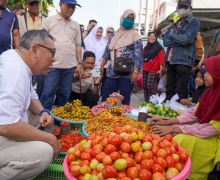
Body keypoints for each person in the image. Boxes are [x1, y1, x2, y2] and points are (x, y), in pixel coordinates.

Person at [0, 29, 60, 180]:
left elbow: (30, 95)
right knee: (45, 152)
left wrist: (42, 112)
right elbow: (6, 125)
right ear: (35, 50)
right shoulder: (15, 72)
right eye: (52, 52)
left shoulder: (15, 58)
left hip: (5, 122)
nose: (53, 60)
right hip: (4, 127)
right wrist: (49, 139)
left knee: (36, 116)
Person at [151, 55, 220, 180]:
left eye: (208, 72)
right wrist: (168, 121)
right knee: (173, 136)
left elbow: (209, 130)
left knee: (180, 139)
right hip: (204, 130)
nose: (204, 75)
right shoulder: (211, 91)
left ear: (217, 74)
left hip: (214, 139)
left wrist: (174, 128)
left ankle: (185, 172)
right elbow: (194, 113)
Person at [40, 0, 82, 110]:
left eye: (73, 7)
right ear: (60, 5)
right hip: (53, 66)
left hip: (70, 66)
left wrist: (79, 63)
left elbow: (78, 45)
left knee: (65, 94)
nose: (71, 9)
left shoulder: (76, 25)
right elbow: (41, 41)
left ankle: (60, 121)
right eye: (68, 6)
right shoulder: (48, 21)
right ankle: (44, 119)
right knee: (48, 93)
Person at [100, 9, 143, 105]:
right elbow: (108, 50)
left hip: (127, 73)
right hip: (112, 71)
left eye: (132, 19)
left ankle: (122, 118)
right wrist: (102, 65)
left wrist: (136, 72)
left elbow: (138, 55)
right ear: (122, 18)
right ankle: (104, 117)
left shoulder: (135, 34)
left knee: (124, 99)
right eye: (128, 18)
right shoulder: (115, 34)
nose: (129, 20)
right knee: (107, 96)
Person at [163, 0, 200, 101]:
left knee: (181, 92)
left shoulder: (194, 22)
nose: (182, 9)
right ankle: (167, 114)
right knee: (169, 91)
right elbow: (165, 41)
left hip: (184, 61)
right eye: (180, 7)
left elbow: (187, 39)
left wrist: (172, 36)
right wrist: (178, 38)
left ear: (190, 9)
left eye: (185, 7)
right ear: (177, 9)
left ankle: (180, 116)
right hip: (170, 60)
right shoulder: (175, 23)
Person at [142, 31, 165, 101]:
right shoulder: (145, 47)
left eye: (153, 36)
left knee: (150, 86)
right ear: (148, 37)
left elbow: (161, 60)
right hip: (145, 68)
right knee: (145, 86)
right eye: (150, 36)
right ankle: (146, 102)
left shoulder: (159, 47)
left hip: (154, 69)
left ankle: (153, 101)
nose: (152, 37)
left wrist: (161, 70)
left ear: (156, 38)